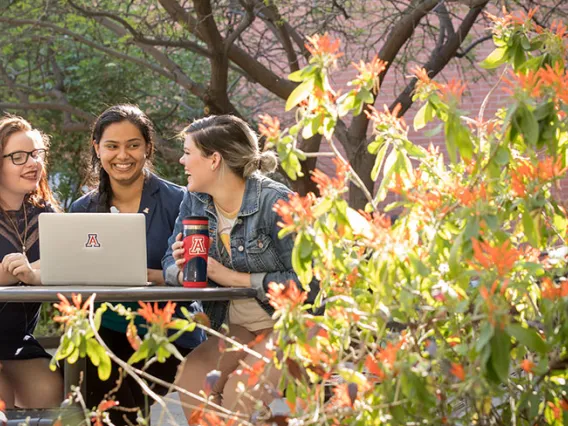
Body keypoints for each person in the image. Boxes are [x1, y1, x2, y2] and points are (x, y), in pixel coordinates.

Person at [162, 115, 319, 421]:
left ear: (214, 160)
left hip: (291, 327)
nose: (182, 160)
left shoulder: (276, 201)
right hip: (238, 328)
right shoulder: (194, 200)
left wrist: (230, 277)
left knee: (240, 392)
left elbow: (310, 283)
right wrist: (181, 269)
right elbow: (169, 260)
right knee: (193, 379)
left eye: (188, 152)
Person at [69, 104, 204, 425]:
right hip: (105, 328)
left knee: (115, 387)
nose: (122, 155)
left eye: (133, 145)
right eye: (112, 146)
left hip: (169, 331)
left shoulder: (182, 201)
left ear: (148, 148)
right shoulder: (82, 209)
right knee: (86, 363)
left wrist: (149, 277)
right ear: (97, 149)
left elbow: (198, 274)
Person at [0, 115, 63, 408]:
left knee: (52, 389)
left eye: (36, 154)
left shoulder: (46, 214)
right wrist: (11, 274)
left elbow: (67, 264)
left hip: (16, 340)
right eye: (18, 157)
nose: (32, 163)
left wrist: (32, 272)